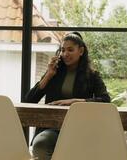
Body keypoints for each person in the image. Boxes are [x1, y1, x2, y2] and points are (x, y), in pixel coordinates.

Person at [25, 32, 111, 160]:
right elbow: (29, 100)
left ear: (81, 51)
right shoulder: (54, 73)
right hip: (52, 127)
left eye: (70, 50)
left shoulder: (92, 75)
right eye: (63, 50)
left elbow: (105, 100)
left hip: (80, 128)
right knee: (40, 145)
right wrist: (48, 75)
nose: (65, 54)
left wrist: (74, 102)